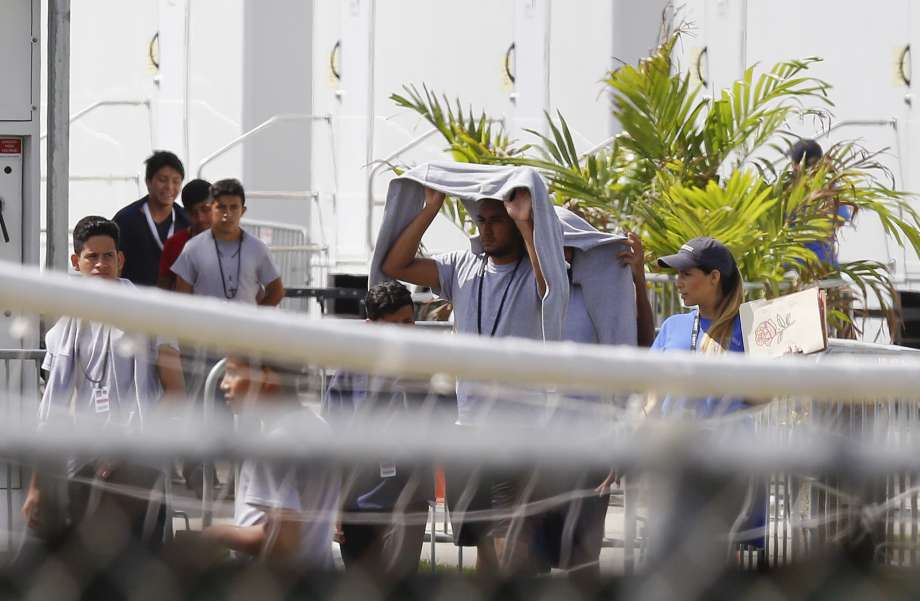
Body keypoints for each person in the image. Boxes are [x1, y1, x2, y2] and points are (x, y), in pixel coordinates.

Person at [381, 185, 558, 577]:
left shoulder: (535, 267)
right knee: (484, 550)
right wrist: (431, 208)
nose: (488, 230)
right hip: (469, 427)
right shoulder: (463, 263)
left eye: (497, 221)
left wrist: (526, 225)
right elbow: (396, 266)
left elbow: (552, 291)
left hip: (518, 431)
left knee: (510, 544)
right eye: (481, 221)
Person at [20, 216, 186, 561]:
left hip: (139, 467)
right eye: (91, 257)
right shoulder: (64, 329)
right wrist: (37, 486)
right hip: (81, 465)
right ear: (75, 262)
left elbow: (175, 393)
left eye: (108, 256)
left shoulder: (152, 315)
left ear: (120, 260)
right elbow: (52, 410)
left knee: (138, 570)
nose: (100, 265)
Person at [648, 236, 765, 565]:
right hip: (675, 468)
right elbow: (652, 394)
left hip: (731, 469)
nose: (678, 282)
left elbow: (758, 399)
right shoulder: (672, 326)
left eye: (686, 273)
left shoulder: (751, 328)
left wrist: (789, 367)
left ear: (714, 277)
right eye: (677, 274)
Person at [322, 281, 434, 584]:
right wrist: (335, 505)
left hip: (406, 501)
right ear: (371, 326)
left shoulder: (424, 370)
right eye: (395, 324)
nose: (405, 331)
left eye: (409, 322)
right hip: (358, 505)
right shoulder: (349, 373)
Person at [200, 356, 340, 569]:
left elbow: (283, 543)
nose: (223, 383)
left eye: (232, 372)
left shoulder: (275, 446)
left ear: (267, 378)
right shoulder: (320, 428)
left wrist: (216, 535)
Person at [171, 178, 284, 306]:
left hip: (244, 325)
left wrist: (255, 319)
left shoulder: (257, 248)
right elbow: (181, 298)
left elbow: (276, 291)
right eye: (221, 207)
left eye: (234, 207)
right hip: (205, 325)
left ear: (242, 211)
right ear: (211, 209)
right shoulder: (192, 248)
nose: (227, 214)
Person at [113, 151, 190, 286]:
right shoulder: (125, 219)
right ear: (148, 181)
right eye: (162, 180)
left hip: (175, 302)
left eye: (176, 181)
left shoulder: (186, 220)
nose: (169, 187)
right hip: (135, 301)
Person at [157, 178, 213, 290]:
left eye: (205, 209)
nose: (200, 218)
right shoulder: (174, 244)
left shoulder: (236, 242)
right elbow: (163, 290)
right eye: (193, 212)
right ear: (186, 213)